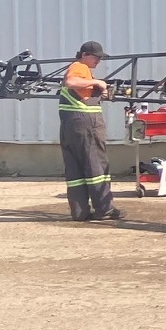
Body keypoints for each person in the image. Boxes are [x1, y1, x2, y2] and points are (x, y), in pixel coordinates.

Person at [60, 42, 122, 222]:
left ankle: (80, 212)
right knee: (96, 165)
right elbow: (71, 81)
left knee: (75, 169)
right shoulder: (79, 66)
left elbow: (78, 91)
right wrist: (98, 82)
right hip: (87, 125)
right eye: (96, 57)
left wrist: (97, 91)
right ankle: (105, 209)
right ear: (84, 54)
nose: (99, 60)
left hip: (70, 126)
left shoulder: (80, 70)